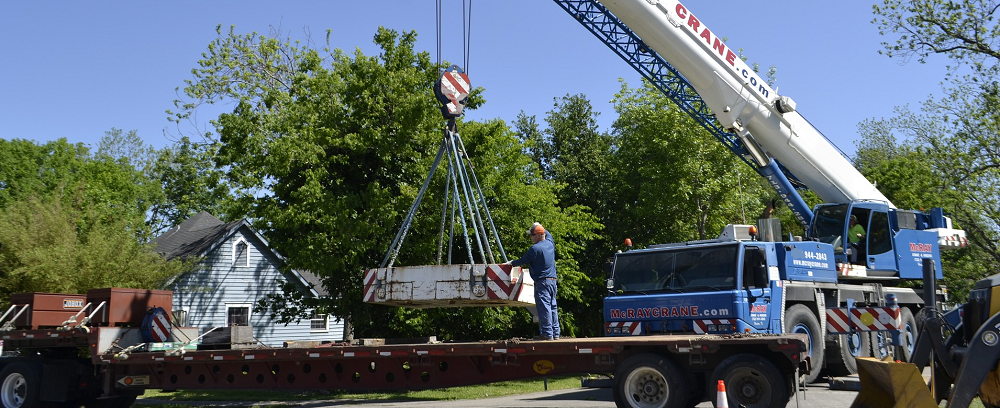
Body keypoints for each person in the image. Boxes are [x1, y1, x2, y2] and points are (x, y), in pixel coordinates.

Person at [503, 222, 560, 341]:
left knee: (544, 307)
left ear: (539, 235)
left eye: (532, 235)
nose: (531, 237)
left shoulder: (535, 249)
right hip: (552, 281)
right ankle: (555, 333)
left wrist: (511, 263)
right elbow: (547, 233)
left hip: (542, 282)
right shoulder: (550, 244)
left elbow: (523, 260)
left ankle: (547, 334)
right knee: (552, 306)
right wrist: (539, 224)